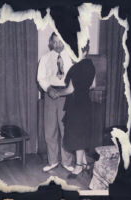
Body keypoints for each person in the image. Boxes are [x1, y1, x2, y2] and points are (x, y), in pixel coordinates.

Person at [53, 40, 96, 178]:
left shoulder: (75, 68)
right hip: (86, 103)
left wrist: (58, 93)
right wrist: (82, 88)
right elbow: (93, 85)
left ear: (83, 51)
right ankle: (84, 163)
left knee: (77, 136)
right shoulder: (90, 65)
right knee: (82, 134)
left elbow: (70, 89)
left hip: (76, 105)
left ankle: (78, 167)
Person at [37, 32, 74, 172]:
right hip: (50, 95)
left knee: (66, 129)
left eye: (61, 41)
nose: (58, 45)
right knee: (50, 129)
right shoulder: (45, 58)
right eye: (55, 42)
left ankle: (67, 162)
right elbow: (41, 78)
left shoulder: (71, 58)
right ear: (51, 43)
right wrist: (48, 89)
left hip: (67, 94)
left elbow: (75, 76)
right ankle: (52, 161)